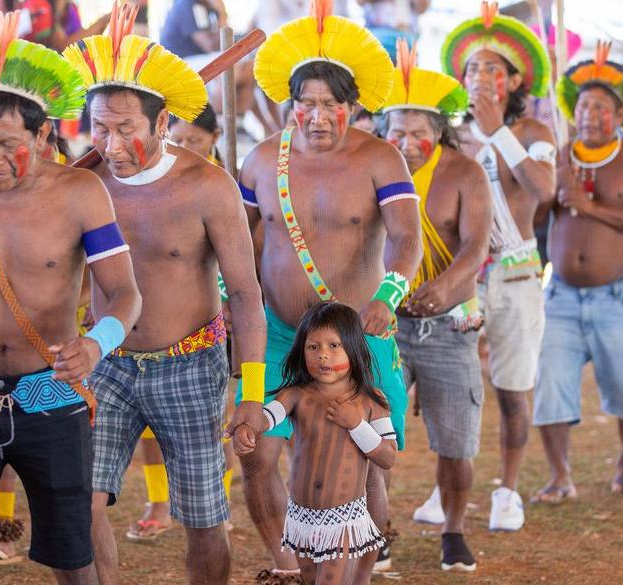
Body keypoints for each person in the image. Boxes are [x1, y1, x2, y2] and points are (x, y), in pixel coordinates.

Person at [0, 13, 142, 583]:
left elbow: (125, 295)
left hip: (51, 396)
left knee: (73, 562)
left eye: (8, 144)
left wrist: (95, 344)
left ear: (42, 136)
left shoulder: (80, 194)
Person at [63, 5, 265, 583]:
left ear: (162, 121)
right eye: (100, 127)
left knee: (203, 518)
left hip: (191, 365)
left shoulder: (207, 185)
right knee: (81, 501)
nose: (112, 141)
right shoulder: (84, 183)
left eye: (126, 127)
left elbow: (246, 295)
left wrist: (250, 390)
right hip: (104, 364)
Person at [237, 5, 422, 582]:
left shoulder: (380, 157)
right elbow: (237, 242)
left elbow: (407, 240)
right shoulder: (262, 159)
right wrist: (228, 295)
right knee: (257, 451)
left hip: (356, 342)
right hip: (275, 336)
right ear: (289, 104)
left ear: (354, 106)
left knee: (366, 461)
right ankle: (288, 566)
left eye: (331, 105)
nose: (318, 117)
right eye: (306, 104)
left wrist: (388, 295)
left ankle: (360, 566)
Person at [439, 1, 556, 532]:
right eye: (472, 69)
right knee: (449, 384)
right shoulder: (451, 133)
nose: (481, 77)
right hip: (463, 276)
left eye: (493, 69)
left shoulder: (533, 131)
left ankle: (507, 490)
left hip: (517, 274)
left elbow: (545, 190)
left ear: (513, 80)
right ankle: (447, 495)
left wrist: (498, 133)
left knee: (512, 390)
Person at [534, 44, 623, 502]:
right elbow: (535, 215)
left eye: (601, 107)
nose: (590, 114)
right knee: (550, 384)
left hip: (620, 297)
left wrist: (591, 207)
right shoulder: (559, 158)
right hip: (562, 296)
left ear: (621, 113)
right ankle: (559, 474)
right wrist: (549, 192)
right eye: (584, 105)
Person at [378, 39, 491, 572]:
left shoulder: (465, 172)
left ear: (438, 132)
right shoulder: (371, 167)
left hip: (448, 323)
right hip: (385, 323)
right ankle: (374, 529)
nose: (407, 142)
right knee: (372, 431)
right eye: (397, 131)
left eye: (418, 132)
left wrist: (446, 288)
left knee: (456, 439)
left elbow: (475, 246)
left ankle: (454, 529)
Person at [125, 107, 237, 543]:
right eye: (180, 138)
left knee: (215, 427)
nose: (187, 147)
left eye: (196, 140)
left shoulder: (225, 182)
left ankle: (218, 503)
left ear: (215, 136)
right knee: (149, 427)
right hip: (144, 322)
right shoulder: (153, 180)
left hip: (206, 323)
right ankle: (157, 501)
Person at [234, 302, 397, 585]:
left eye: (334, 345)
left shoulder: (372, 402)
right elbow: (267, 419)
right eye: (313, 347)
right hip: (301, 518)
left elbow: (388, 457)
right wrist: (248, 426)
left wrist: (355, 425)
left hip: (342, 520)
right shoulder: (296, 394)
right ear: (302, 350)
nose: (323, 355)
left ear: (353, 348)